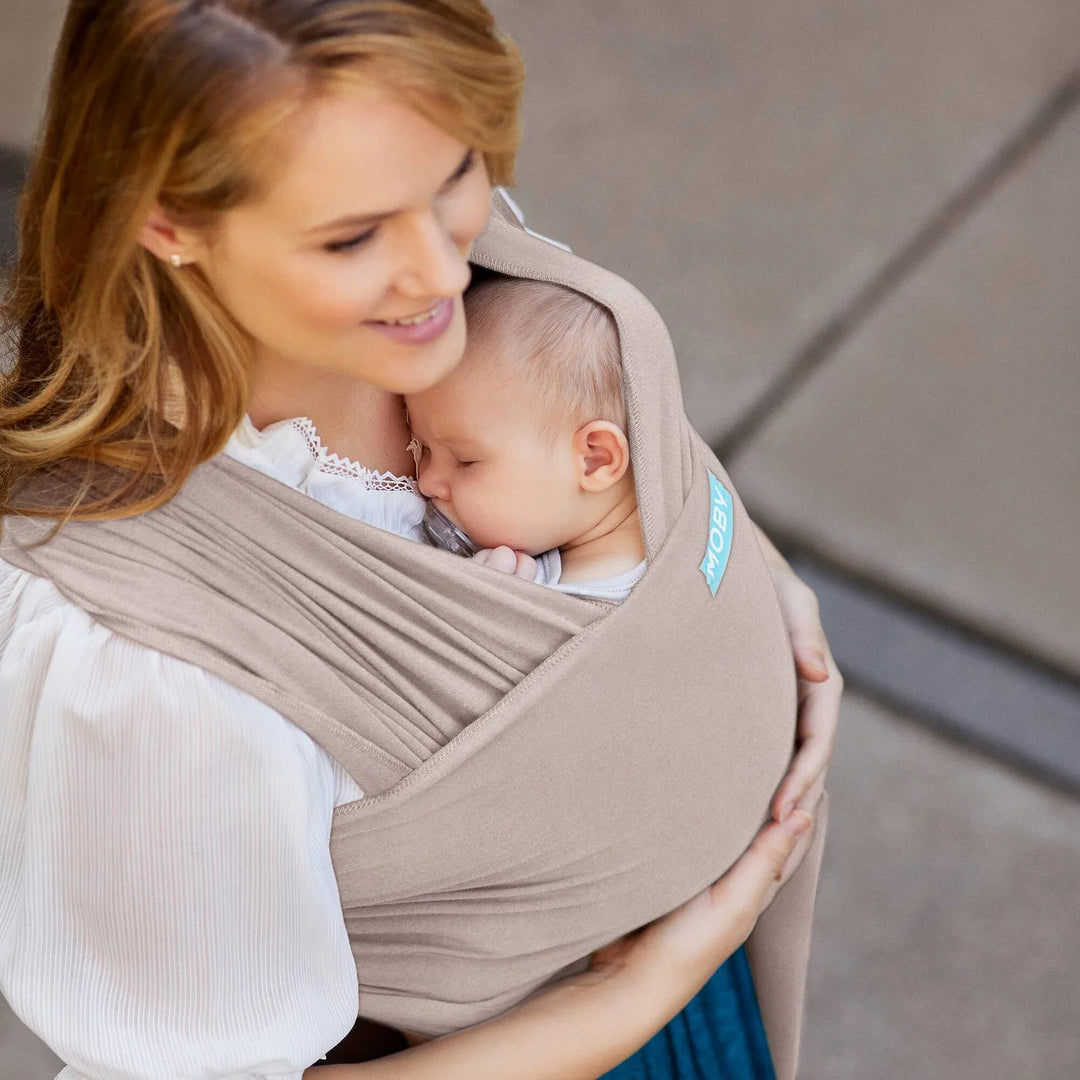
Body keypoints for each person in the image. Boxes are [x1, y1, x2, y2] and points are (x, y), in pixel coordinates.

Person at [0, 2, 842, 1079]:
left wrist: (723, 575)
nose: (444, 274)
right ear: (169, 223)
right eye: (351, 238)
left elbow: (613, 440)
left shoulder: (423, 265)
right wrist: (647, 987)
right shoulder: (151, 660)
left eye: (457, 173)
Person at [406, 275, 646, 599]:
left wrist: (483, 609)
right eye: (423, 449)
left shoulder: (583, 610)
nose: (426, 482)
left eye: (465, 461)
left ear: (595, 460)